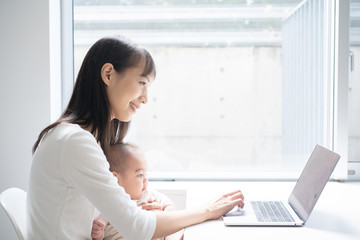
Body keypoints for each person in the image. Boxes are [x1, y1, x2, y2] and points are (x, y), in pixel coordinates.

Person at [27, 35, 244, 240]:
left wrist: (143, 207)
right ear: (108, 74)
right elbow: (137, 227)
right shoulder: (75, 142)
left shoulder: (78, 137)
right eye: (142, 83)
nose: (146, 98)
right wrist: (208, 210)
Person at [91, 142, 183, 240]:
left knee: (176, 228)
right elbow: (100, 227)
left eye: (145, 174)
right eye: (140, 175)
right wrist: (98, 233)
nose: (145, 180)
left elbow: (170, 207)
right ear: (116, 179)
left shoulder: (149, 195)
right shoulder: (110, 203)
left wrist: (166, 216)